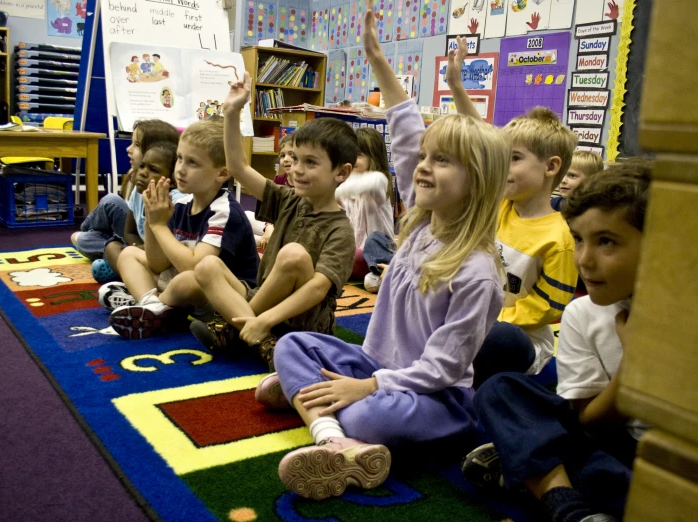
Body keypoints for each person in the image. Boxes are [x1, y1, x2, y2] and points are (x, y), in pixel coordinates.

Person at [265, 2, 510, 500]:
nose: (422, 166)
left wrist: (369, 389)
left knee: (365, 413)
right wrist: (376, 57)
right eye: (425, 157)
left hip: (438, 399)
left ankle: (317, 409)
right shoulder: (419, 222)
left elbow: (442, 369)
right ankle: (334, 440)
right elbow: (402, 134)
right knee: (292, 344)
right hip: (378, 366)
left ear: (477, 182)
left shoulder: (479, 272)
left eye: (441, 162)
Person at [462, 159, 652, 522]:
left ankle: (535, 471)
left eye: (606, 242)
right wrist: (632, 367)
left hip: (667, 460)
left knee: (602, 475)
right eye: (578, 240)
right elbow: (590, 421)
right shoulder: (583, 313)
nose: (584, 259)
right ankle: (566, 504)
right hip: (612, 441)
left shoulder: (682, 315)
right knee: (502, 391)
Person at [188, 73, 357, 371]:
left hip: (303, 321)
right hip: (262, 301)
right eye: (294, 158)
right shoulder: (288, 198)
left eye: (311, 162)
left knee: (292, 254)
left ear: (341, 173)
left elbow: (318, 289)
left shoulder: (341, 229)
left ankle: (236, 329)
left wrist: (264, 318)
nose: (296, 169)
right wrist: (231, 113)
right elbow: (238, 167)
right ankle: (262, 341)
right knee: (205, 266)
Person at [446, 37, 579, 384]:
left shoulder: (559, 239)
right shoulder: (502, 204)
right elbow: (480, 137)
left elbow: (547, 309)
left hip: (519, 341)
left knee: (493, 339)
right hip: (478, 317)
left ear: (551, 167)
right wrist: (456, 85)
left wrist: (487, 319)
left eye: (514, 159)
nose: (501, 165)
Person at [103, 117, 259, 340]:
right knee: (128, 254)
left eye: (192, 163)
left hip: (223, 297)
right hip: (182, 287)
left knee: (186, 280)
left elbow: (194, 268)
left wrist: (159, 227)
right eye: (179, 159)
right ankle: (153, 306)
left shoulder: (224, 211)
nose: (180, 170)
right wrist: (151, 220)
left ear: (222, 174)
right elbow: (158, 263)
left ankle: (155, 307)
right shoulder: (183, 204)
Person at [71, 120, 182, 283]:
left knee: (102, 241)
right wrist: (134, 248)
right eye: (143, 166)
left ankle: (128, 274)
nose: (128, 149)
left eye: (136, 145)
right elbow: (129, 232)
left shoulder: (176, 200)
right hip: (140, 246)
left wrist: (135, 251)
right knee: (109, 238)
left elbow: (170, 248)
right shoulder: (139, 185)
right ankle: (124, 265)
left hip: (160, 255)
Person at [334, 127, 395, 285]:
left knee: (375, 240)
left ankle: (379, 273)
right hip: (354, 256)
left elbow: (371, 181)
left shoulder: (379, 182)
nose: (352, 160)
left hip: (376, 255)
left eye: (358, 155)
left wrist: (335, 193)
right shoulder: (348, 192)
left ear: (373, 158)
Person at [249, 133, 295, 250]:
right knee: (244, 215)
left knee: (247, 237)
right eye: (282, 155)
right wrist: (269, 228)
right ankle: (265, 240)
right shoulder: (279, 179)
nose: (286, 159)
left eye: (292, 155)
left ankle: (264, 242)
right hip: (273, 223)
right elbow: (270, 209)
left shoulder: (305, 184)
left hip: (288, 231)